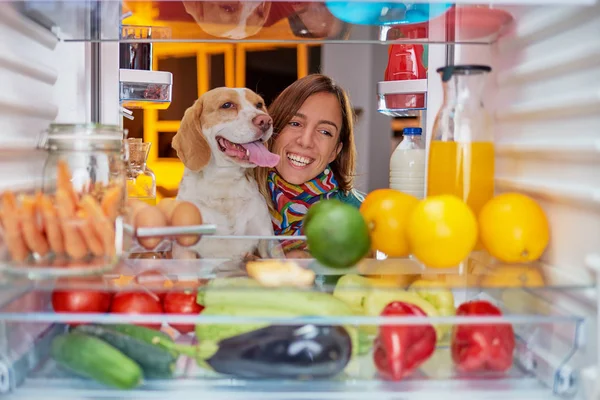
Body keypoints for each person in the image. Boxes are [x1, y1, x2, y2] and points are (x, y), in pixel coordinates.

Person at [254, 74, 364, 255]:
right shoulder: (234, 197)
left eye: (324, 132)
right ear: (274, 130)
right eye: (295, 123)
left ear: (335, 151)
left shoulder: (359, 214)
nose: (306, 141)